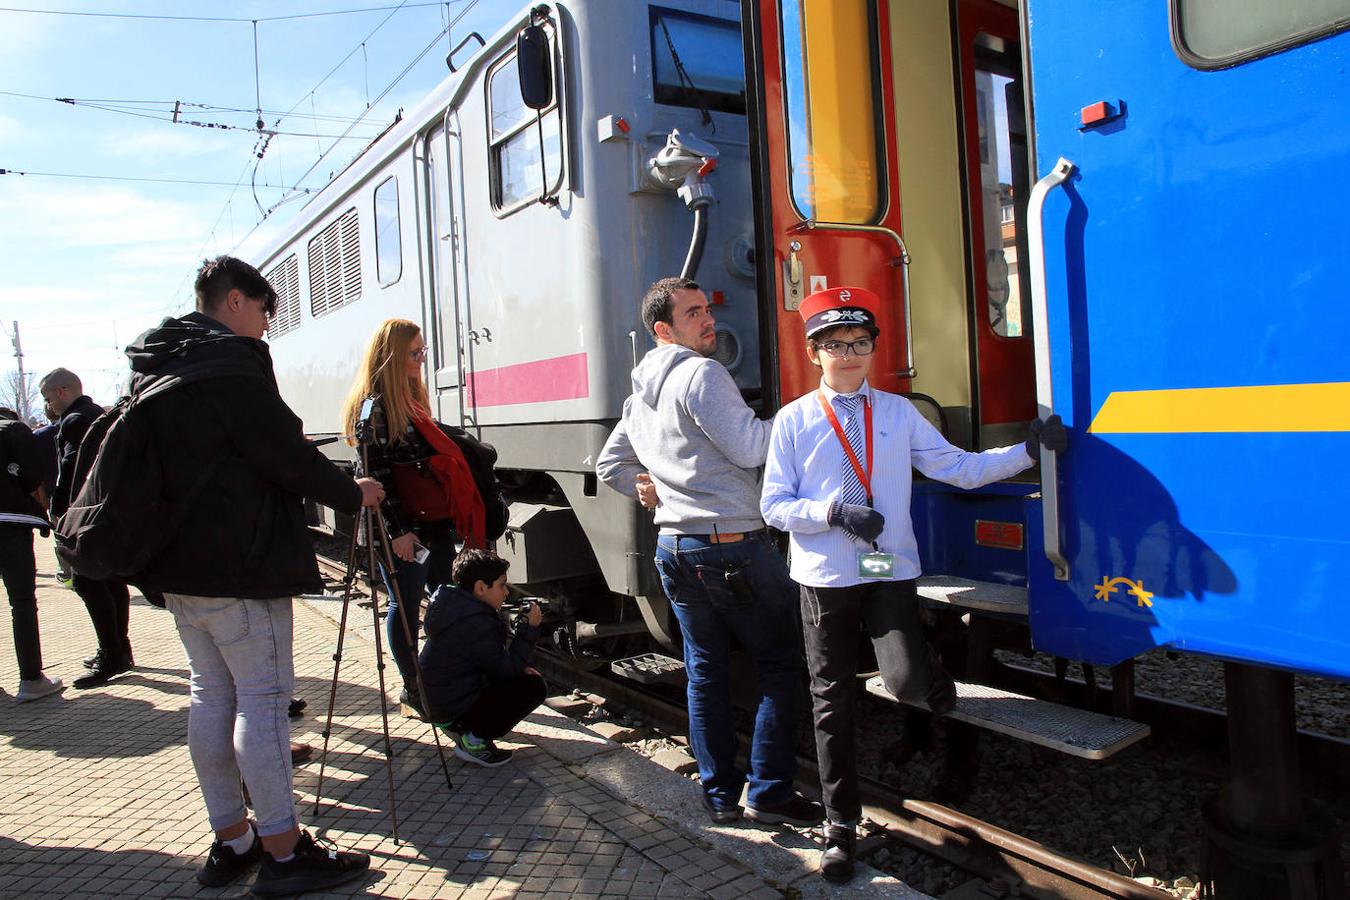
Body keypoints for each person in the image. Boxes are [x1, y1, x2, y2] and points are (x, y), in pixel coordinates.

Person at [760, 286, 1066, 883]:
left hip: (888, 569)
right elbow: (773, 504)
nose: (849, 354)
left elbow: (959, 467)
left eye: (860, 343)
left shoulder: (899, 413)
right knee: (831, 700)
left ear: (873, 349)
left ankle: (930, 683)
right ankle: (839, 825)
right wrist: (832, 514)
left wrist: (1025, 451)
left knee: (903, 681)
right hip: (825, 577)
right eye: (836, 345)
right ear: (815, 352)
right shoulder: (794, 421)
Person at [123, 255, 384, 894]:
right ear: (235, 301)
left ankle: (232, 841)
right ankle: (285, 852)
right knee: (262, 703)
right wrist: (357, 492)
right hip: (239, 565)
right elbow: (282, 454)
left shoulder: (161, 365)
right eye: (266, 310)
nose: (268, 325)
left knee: (210, 695)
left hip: (180, 570)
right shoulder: (230, 367)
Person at [596, 276, 823, 828]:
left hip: (675, 549)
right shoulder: (702, 374)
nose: (709, 320)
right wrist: (807, 412)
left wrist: (645, 485)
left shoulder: (638, 393)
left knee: (705, 673)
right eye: (693, 313)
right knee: (779, 665)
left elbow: (609, 465)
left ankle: (719, 796)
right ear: (663, 329)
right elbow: (751, 447)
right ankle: (767, 794)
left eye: (707, 308)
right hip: (732, 546)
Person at [340, 318, 483, 720]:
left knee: (444, 600)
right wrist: (398, 532)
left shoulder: (411, 399)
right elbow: (375, 475)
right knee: (405, 608)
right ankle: (412, 687)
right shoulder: (374, 408)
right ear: (391, 357)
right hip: (402, 529)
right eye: (414, 353)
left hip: (432, 524)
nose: (422, 360)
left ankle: (441, 677)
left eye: (423, 352)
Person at [39, 367, 135, 689]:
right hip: (106, 511)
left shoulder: (73, 421)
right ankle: (120, 649)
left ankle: (111, 653)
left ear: (63, 391)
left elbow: (70, 470)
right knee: (109, 580)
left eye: (49, 398)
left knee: (87, 582)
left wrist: (59, 511)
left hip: (83, 515)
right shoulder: (98, 414)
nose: (49, 406)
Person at [420, 549, 546, 767]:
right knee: (533, 687)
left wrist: (518, 667)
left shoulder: (456, 608)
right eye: (501, 585)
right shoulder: (476, 624)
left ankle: (464, 728)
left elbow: (491, 659)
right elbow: (506, 668)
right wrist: (529, 630)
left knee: (521, 674)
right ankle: (474, 739)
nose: (506, 592)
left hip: (439, 700)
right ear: (480, 588)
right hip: (451, 707)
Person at [0, 406, 63, 703]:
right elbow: (32, 475)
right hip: (11, 524)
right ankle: (31, 678)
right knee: (22, 602)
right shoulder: (13, 429)